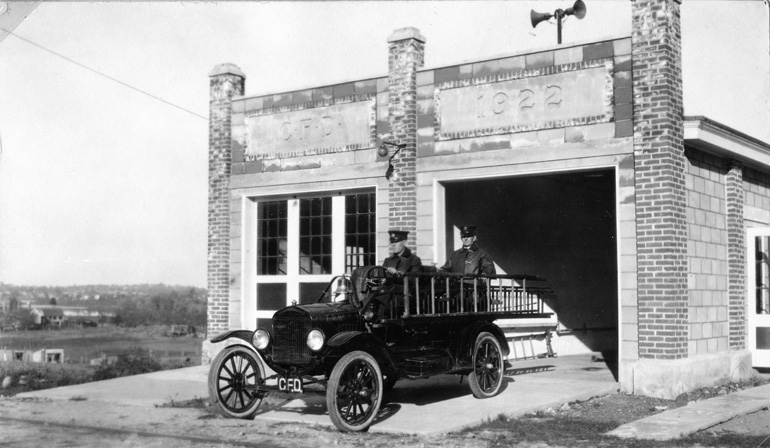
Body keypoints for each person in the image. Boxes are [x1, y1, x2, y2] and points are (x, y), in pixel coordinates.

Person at [440, 225, 496, 311]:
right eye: (463, 237)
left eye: (468, 236)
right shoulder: (455, 255)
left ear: (474, 238)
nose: (465, 239)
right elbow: (446, 268)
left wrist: (485, 274)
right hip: (457, 293)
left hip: (475, 294)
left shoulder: (482, 254)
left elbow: (488, 267)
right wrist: (440, 272)